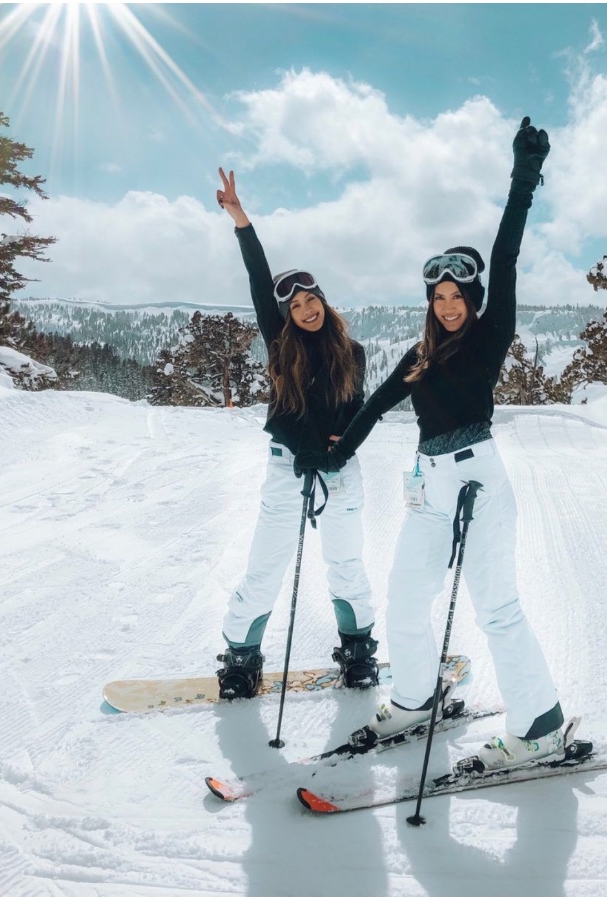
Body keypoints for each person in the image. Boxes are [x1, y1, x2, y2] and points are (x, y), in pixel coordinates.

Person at [307, 116, 565, 771]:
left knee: (497, 607)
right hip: (427, 485)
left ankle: (542, 729)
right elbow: (375, 407)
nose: (448, 305)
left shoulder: (487, 335)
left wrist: (523, 180)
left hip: (479, 480)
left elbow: (504, 256)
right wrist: (331, 455)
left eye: (458, 296)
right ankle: (418, 700)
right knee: (404, 595)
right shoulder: (423, 355)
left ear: (475, 300)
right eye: (439, 295)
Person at [213, 167, 378, 700]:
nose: (305, 311)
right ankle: (242, 655)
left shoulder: (351, 353)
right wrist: (242, 220)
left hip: (339, 470)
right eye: (295, 306)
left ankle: (357, 649)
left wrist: (338, 447)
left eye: (312, 302)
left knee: (346, 563)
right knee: (266, 564)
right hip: (286, 464)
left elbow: (356, 412)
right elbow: (260, 279)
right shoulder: (279, 342)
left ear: (323, 302)